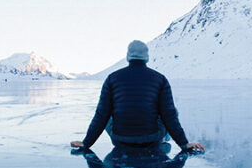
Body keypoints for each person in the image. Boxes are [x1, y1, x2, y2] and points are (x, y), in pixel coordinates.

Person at [70, 40, 204, 152]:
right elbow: (168, 115)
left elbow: (101, 114)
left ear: (128, 56)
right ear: (147, 57)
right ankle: (164, 139)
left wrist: (86, 143)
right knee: (172, 110)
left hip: (120, 139)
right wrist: (184, 144)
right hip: (152, 139)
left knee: (107, 111)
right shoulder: (160, 79)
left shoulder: (112, 78)